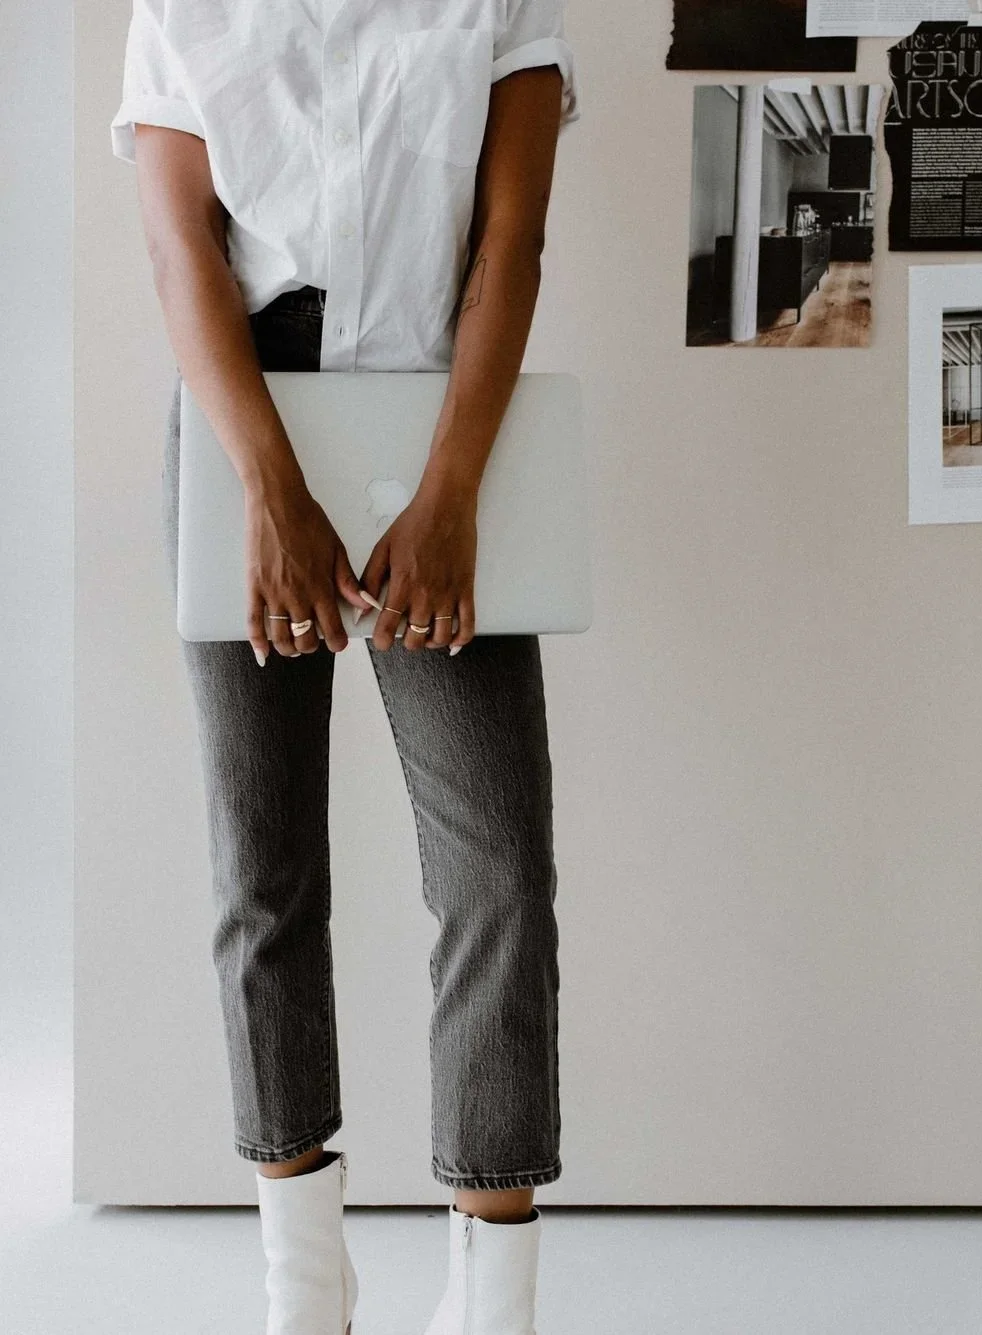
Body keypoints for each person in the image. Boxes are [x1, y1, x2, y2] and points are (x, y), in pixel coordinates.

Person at [109, 2, 580, 1331]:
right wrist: (265, 486)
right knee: (262, 866)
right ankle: (304, 1285)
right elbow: (177, 246)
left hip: (441, 421)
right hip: (244, 419)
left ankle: (494, 1299)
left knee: (498, 873)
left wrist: (453, 490)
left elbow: (510, 243)